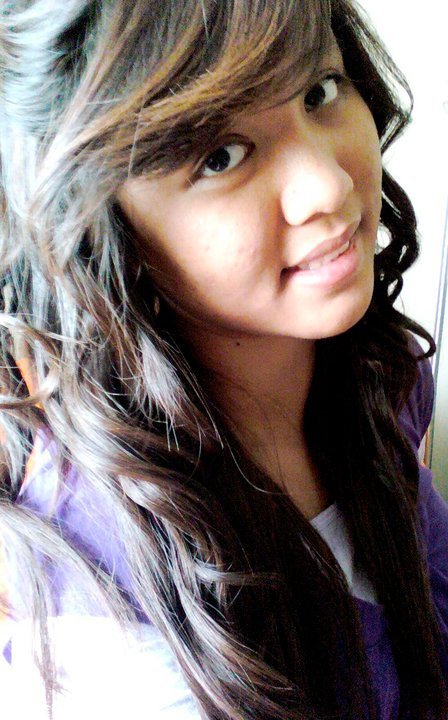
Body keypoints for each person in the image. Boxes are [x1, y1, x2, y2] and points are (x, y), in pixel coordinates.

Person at [0, 0, 447, 718]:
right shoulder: (116, 631)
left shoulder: (377, 371)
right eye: (221, 157)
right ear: (103, 232)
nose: (329, 185)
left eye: (319, 91)